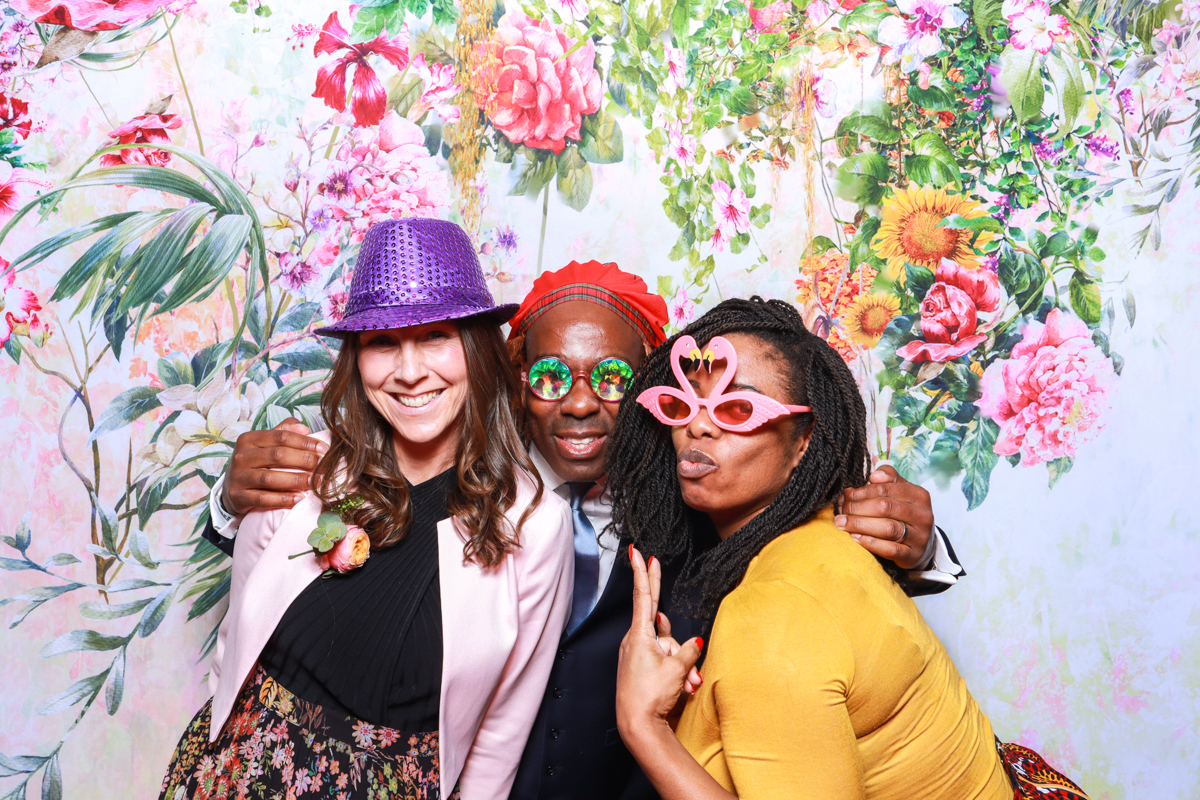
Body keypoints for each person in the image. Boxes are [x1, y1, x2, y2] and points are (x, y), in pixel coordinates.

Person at [202, 263, 966, 800]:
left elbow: (827, 572)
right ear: (514, 374)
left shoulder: (707, 496)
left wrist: (918, 540)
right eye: (550, 377)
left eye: (612, 379)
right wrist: (229, 501)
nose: (578, 405)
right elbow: (323, 592)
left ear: (652, 385)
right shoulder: (443, 473)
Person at [611, 297, 1089, 800]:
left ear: (804, 442)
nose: (698, 426)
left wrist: (642, 722)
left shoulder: (781, 603)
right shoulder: (803, 530)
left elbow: (793, 636)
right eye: (680, 403)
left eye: (737, 408)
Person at [162, 218, 574, 800]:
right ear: (356, 357)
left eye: (435, 336)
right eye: (383, 342)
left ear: (477, 348)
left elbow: (502, 731)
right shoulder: (307, 468)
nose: (409, 373)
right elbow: (236, 639)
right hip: (236, 771)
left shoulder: (534, 524)